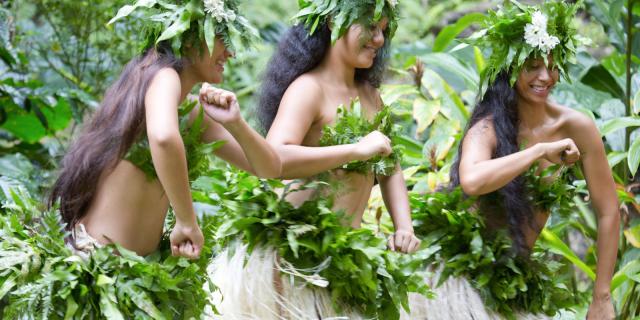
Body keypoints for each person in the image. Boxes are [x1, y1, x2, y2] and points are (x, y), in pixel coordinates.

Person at [206, 0, 423, 318]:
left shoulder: (371, 96)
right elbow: (275, 156)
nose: (379, 40)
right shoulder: (308, 89)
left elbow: (390, 164)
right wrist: (354, 150)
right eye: (371, 27)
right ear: (334, 21)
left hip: (343, 254)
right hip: (297, 258)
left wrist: (404, 226)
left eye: (384, 31)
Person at [406, 1, 619, 319]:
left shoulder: (577, 126)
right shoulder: (487, 126)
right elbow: (473, 180)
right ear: (509, 67)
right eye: (532, 65)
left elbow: (608, 210)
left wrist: (602, 296)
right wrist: (536, 152)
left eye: (552, 64)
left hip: (515, 279)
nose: (545, 76)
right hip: (459, 278)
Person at [49, 0, 281, 259]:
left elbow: (268, 168)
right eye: (221, 38)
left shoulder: (191, 111)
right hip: (94, 262)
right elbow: (163, 137)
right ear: (191, 39)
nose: (230, 52)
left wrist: (236, 123)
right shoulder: (162, 75)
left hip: (141, 272)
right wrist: (186, 221)